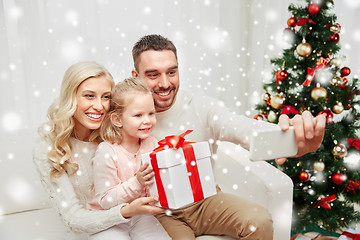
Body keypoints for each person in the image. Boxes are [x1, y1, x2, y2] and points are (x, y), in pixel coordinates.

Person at [131, 34, 326, 240]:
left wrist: (293, 142)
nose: (164, 83)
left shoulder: (200, 105)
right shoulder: (125, 113)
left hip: (205, 202)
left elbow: (241, 128)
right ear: (135, 76)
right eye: (153, 75)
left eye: (172, 72)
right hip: (160, 212)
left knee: (258, 221)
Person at [33, 61, 166, 240]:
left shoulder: (118, 134)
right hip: (89, 229)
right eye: (89, 96)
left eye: (105, 97)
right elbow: (73, 218)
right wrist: (125, 211)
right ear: (70, 98)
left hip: (136, 217)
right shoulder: (49, 149)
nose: (99, 106)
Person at [91, 77, 170, 240]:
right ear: (117, 120)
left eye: (151, 113)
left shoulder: (152, 144)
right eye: (138, 115)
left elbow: (158, 186)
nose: (147, 120)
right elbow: (105, 201)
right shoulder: (107, 151)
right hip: (109, 219)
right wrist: (137, 182)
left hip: (141, 215)